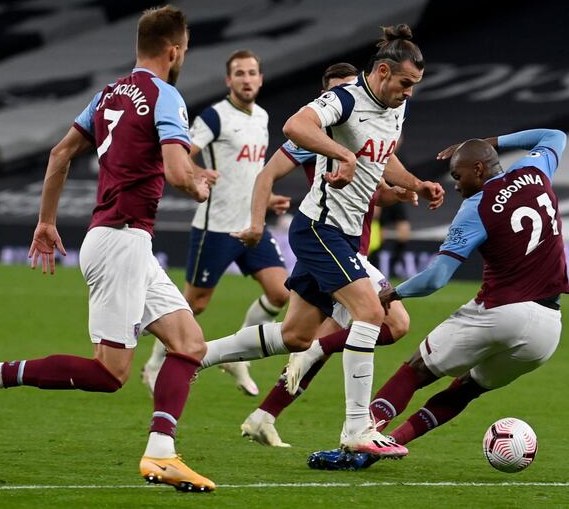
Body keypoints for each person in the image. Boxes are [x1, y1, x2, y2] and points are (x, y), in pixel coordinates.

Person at [0, 5, 216, 493]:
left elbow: (60, 153)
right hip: (121, 242)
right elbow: (178, 172)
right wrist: (196, 185)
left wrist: (46, 221)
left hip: (123, 241)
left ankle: (162, 453)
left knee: (189, 344)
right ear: (174, 50)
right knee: (111, 373)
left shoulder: (110, 92)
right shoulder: (166, 96)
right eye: (185, 50)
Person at [196, 24, 444, 459]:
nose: (410, 92)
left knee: (295, 336)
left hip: (346, 239)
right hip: (320, 230)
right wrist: (341, 154)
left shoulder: (395, 107)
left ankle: (194, 354)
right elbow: (295, 125)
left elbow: (384, 158)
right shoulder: (346, 99)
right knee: (375, 313)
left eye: (415, 85)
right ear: (383, 71)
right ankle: (355, 428)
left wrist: (417, 185)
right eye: (405, 83)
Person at [307, 128, 569, 470]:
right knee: (466, 389)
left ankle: (355, 446)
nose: (456, 185)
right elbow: (555, 136)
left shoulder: (477, 207)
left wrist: (394, 292)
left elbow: (437, 278)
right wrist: (489, 143)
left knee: (417, 370)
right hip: (547, 331)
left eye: (459, 177)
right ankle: (383, 448)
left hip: (501, 311)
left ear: (478, 170)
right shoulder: (535, 171)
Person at [232, 63, 416, 447]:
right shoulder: (315, 133)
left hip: (352, 245)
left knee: (301, 338)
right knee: (390, 322)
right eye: (334, 94)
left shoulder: (374, 120)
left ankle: (261, 413)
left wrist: (408, 187)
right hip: (327, 241)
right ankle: (354, 428)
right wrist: (254, 223)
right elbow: (266, 175)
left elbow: (379, 183)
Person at [141, 50, 291, 397]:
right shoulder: (214, 116)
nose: (247, 79)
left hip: (251, 225)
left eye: (252, 72)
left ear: (261, 78)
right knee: (194, 305)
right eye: (239, 73)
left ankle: (237, 357)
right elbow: (179, 155)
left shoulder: (262, 117)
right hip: (216, 228)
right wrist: (195, 173)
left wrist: (265, 200)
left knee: (280, 292)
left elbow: (249, 173)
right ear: (229, 81)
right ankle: (153, 365)